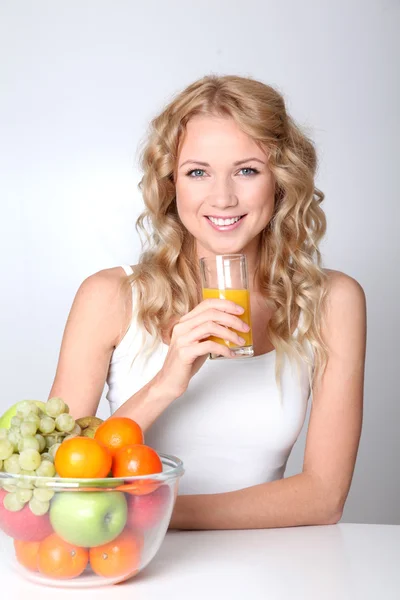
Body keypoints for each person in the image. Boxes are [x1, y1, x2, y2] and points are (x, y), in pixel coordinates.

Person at [48, 74, 366, 530]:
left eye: (247, 170)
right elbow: (59, 479)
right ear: (171, 183)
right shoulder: (109, 298)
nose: (222, 197)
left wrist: (150, 513)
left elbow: (323, 497)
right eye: (198, 172)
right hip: (134, 567)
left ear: (280, 181)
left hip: (269, 571)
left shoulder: (332, 301)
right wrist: (166, 383)